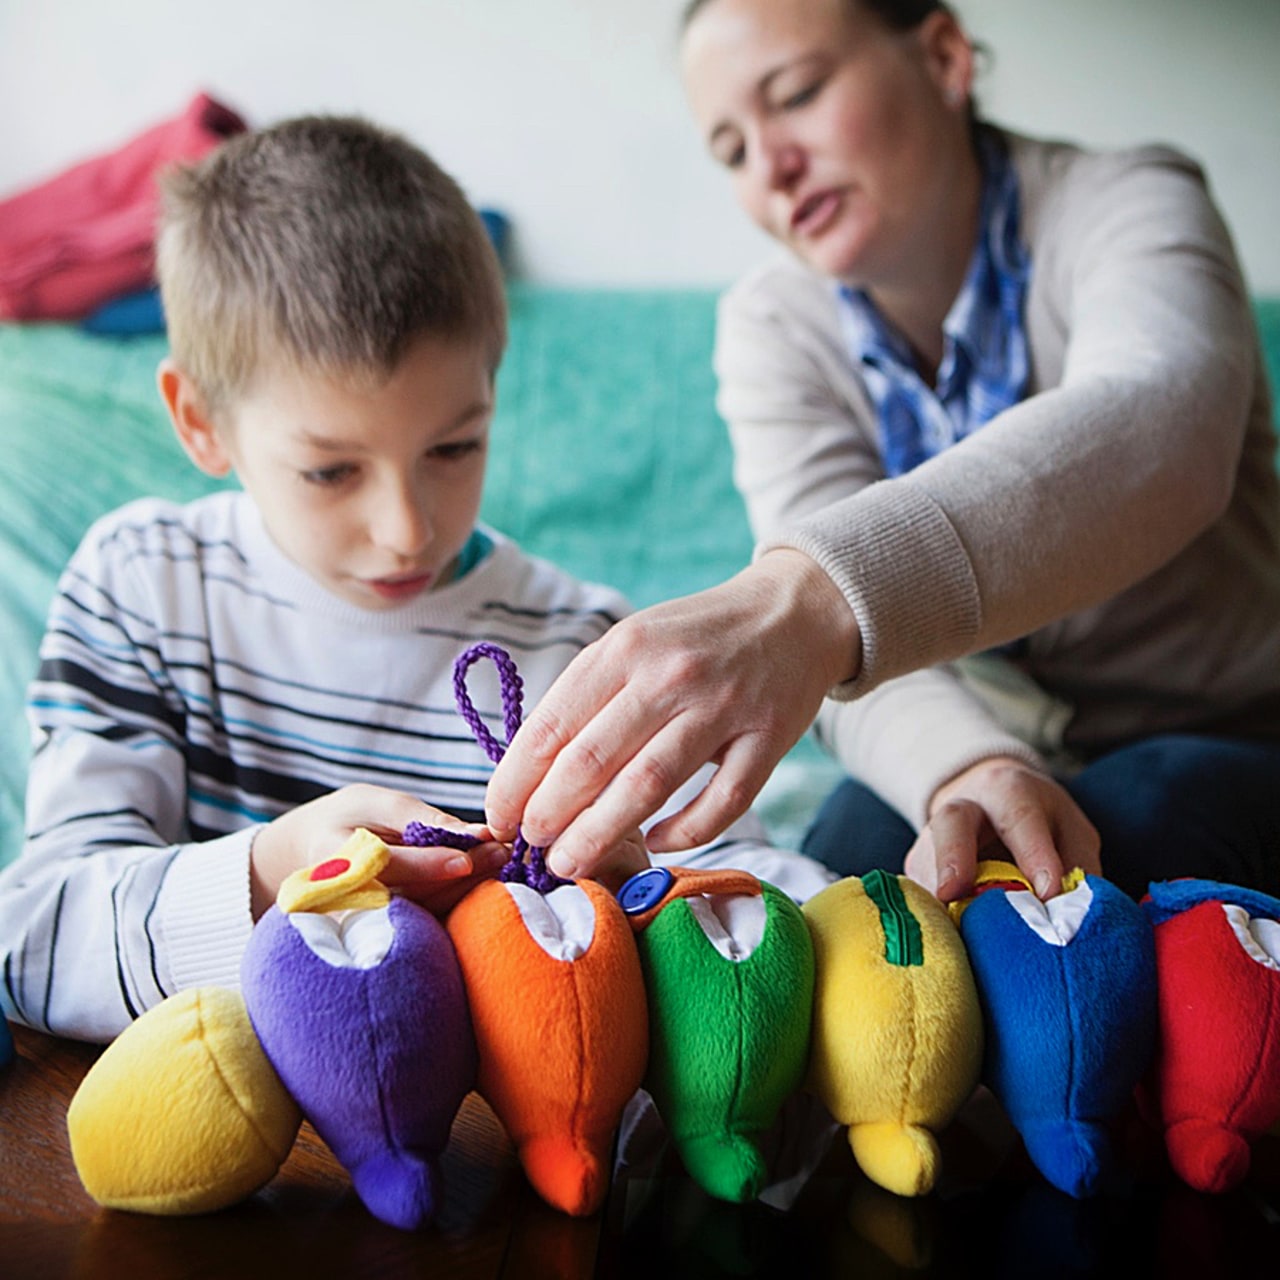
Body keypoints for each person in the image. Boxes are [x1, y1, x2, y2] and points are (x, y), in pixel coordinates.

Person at [0, 114, 832, 1044]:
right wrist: (273, 871)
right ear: (199, 421)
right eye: (331, 471)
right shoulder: (143, 589)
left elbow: (748, 903)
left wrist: (648, 896)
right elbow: (30, 941)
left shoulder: (581, 648)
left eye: (453, 447)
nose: (407, 531)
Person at [486, 0, 1280, 909]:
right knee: (857, 864)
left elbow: (1165, 423)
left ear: (943, 57)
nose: (772, 167)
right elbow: (837, 680)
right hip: (988, 729)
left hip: (1226, 731)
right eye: (733, 152)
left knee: (1153, 815)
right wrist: (965, 766)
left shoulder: (1132, 202)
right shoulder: (776, 325)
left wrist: (811, 601)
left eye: (798, 95)